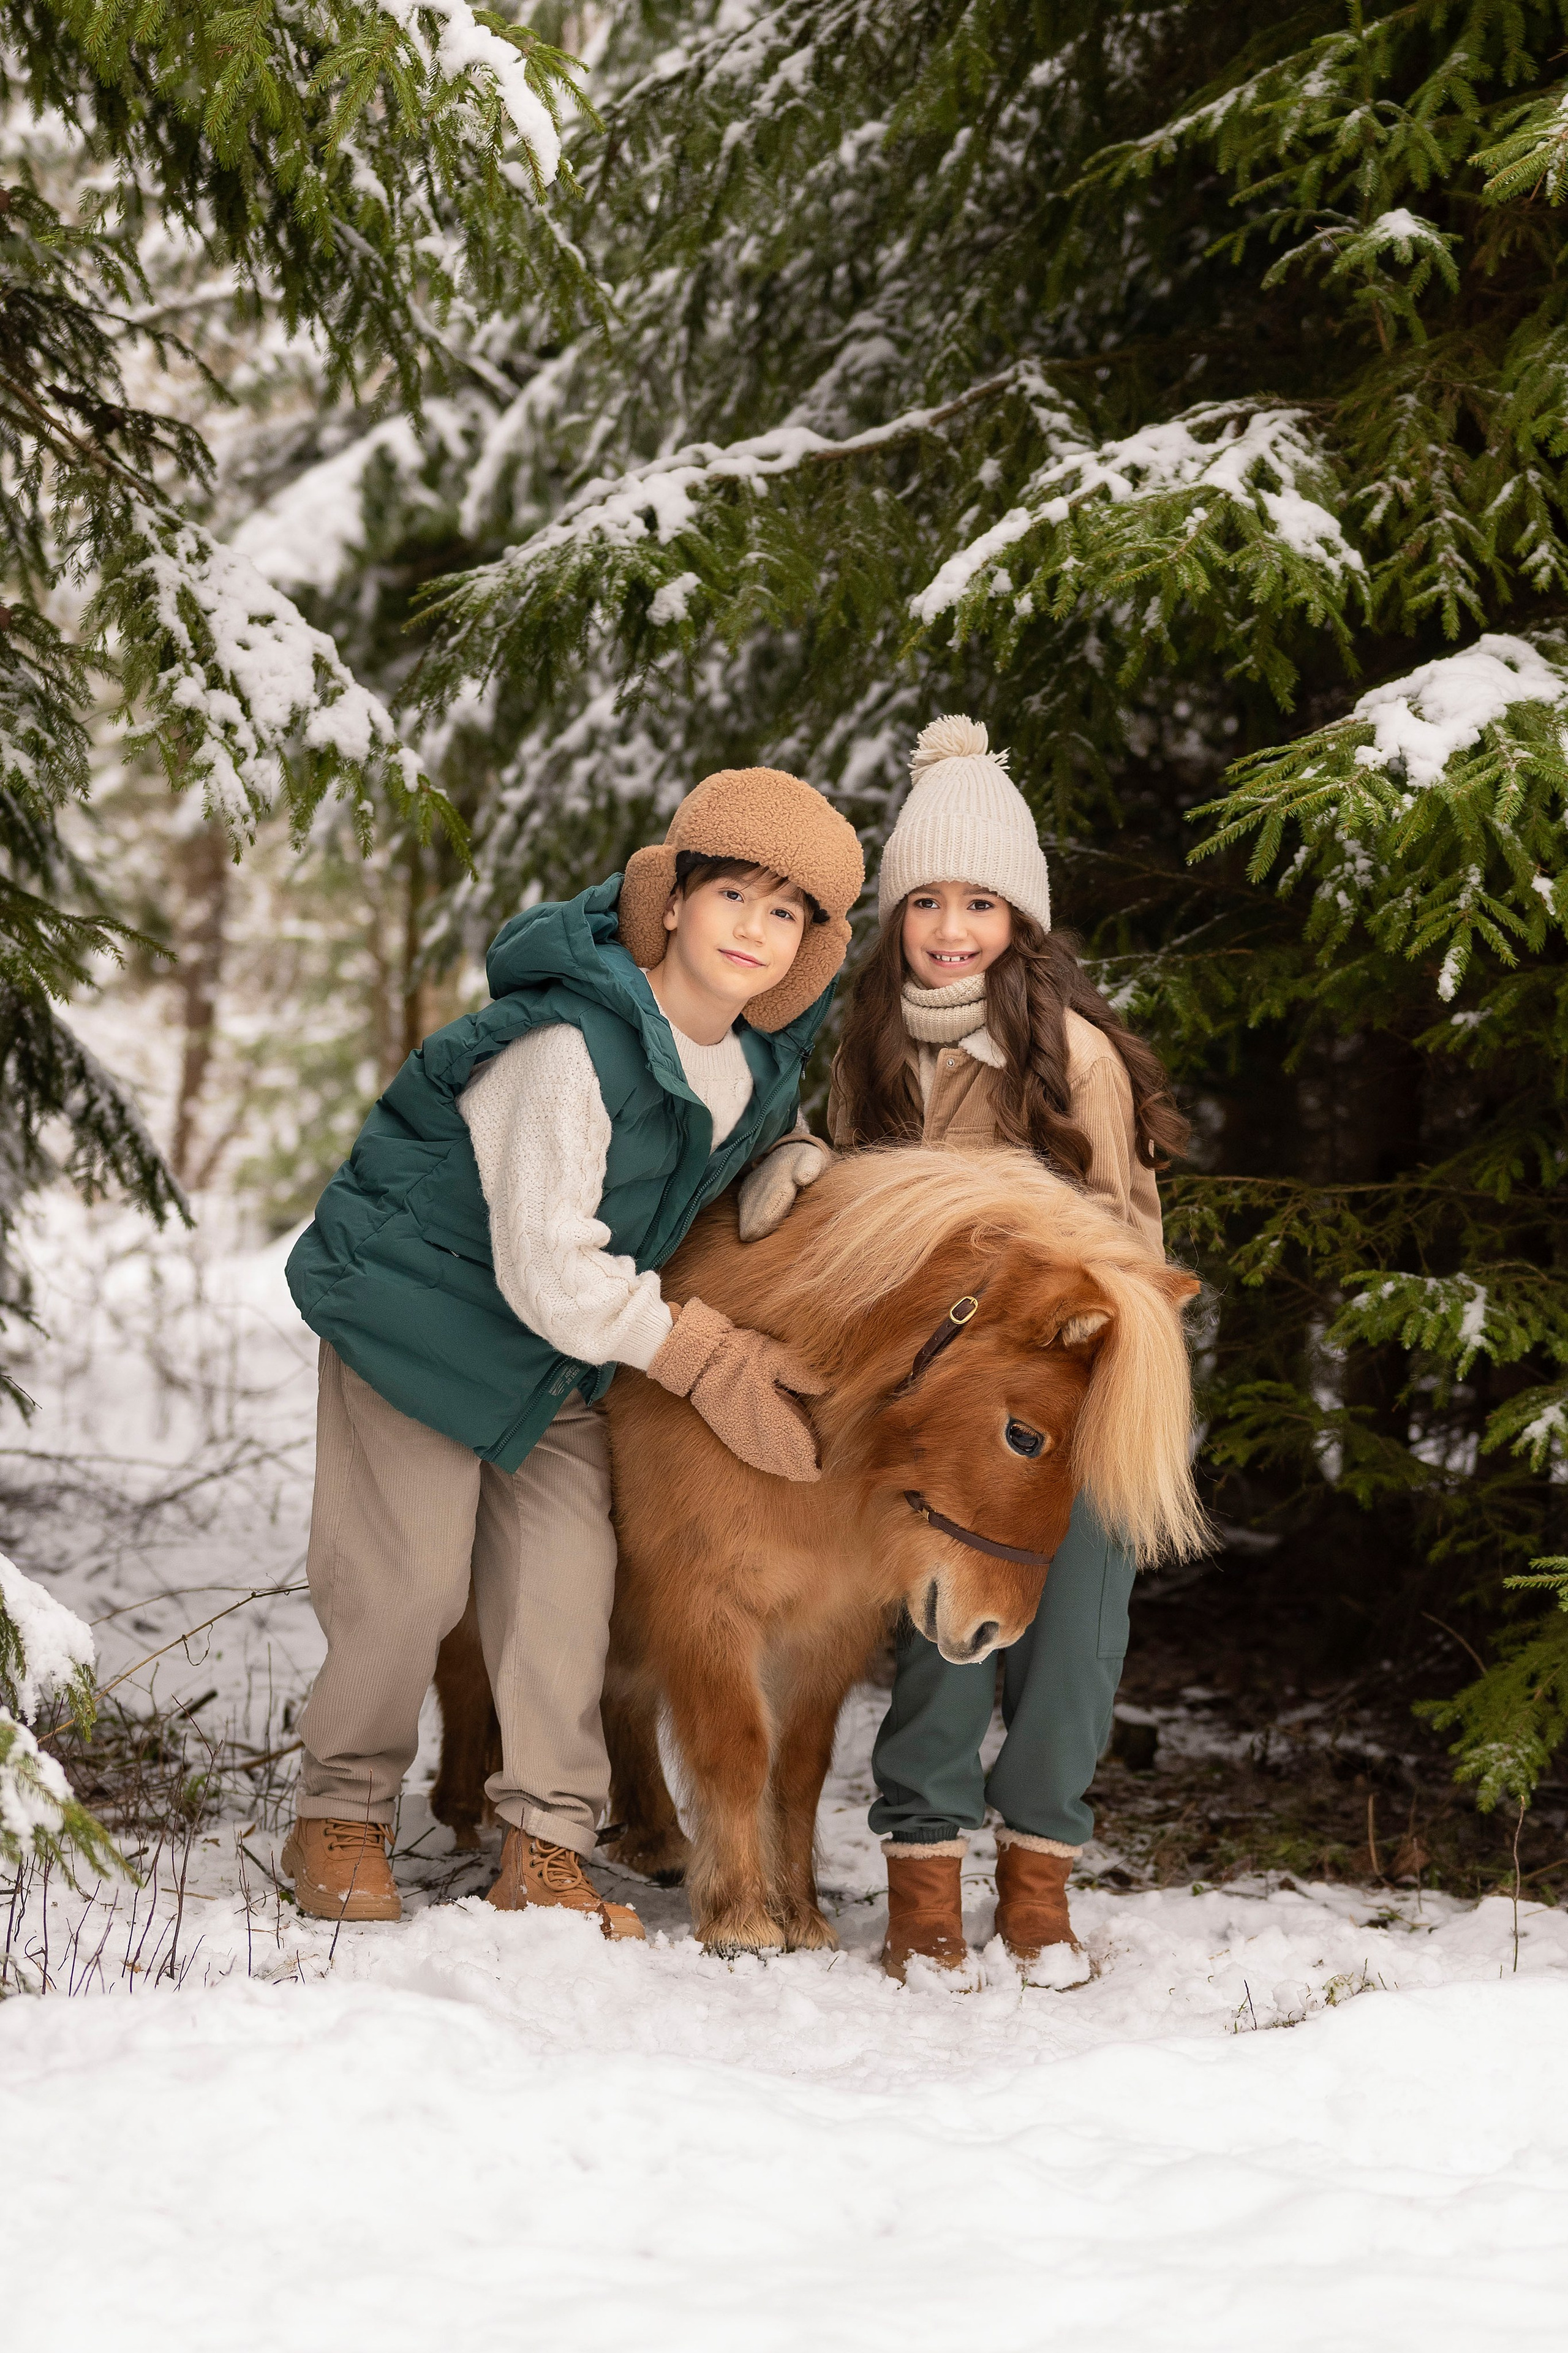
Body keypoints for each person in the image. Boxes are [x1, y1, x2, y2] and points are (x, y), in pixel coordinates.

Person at [280, 768, 864, 1935]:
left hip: (557, 1366)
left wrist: (787, 1154)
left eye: (787, 912)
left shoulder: (751, 1064)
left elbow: (694, 1155)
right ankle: (340, 1810)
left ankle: (546, 1841)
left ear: (810, 946)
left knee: (568, 1598)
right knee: (410, 1585)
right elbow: (551, 1264)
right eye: (732, 894)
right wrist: (704, 1357)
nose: (754, 928)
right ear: (672, 898)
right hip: (424, 1328)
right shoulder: (568, 1043)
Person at [737, 715, 1188, 1979]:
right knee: (938, 1625)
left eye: (979, 903)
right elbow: (854, 1206)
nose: (949, 928)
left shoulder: (1073, 1055)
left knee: (1070, 1640)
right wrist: (799, 1168)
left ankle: (1039, 1875)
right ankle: (923, 1873)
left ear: (1020, 918)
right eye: (924, 901)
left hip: (1077, 1383)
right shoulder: (874, 1044)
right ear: (893, 920)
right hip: (941, 1395)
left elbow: (1124, 1240)